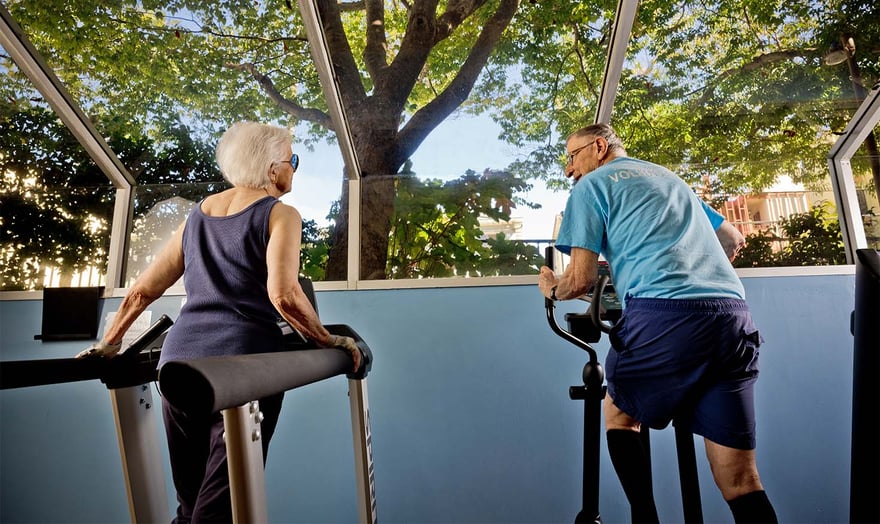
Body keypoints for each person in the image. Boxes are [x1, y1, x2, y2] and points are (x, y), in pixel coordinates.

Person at [75, 121, 361, 523]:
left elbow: (142, 290)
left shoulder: (198, 215)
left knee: (190, 503)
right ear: (271, 169)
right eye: (292, 160)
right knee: (220, 506)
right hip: (242, 368)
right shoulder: (281, 215)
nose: (294, 168)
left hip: (177, 365)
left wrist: (110, 343)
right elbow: (283, 294)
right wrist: (327, 340)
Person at [538, 123, 777, 523]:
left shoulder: (592, 186)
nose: (569, 170)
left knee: (618, 413)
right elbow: (733, 239)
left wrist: (551, 289)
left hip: (664, 317)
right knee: (741, 479)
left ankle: (646, 519)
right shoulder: (671, 179)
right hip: (731, 318)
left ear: (598, 147)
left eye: (572, 156)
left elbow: (579, 280)